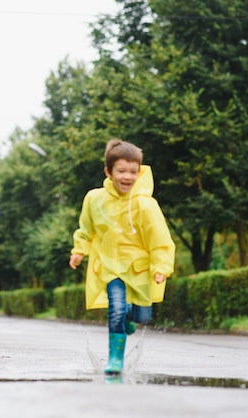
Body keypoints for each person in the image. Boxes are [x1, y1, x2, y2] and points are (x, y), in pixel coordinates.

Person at [69, 139, 175, 375]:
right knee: (116, 310)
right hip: (110, 267)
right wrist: (79, 251)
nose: (127, 177)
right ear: (108, 172)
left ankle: (131, 315)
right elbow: (86, 229)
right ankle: (115, 359)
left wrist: (162, 266)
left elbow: (160, 239)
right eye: (121, 171)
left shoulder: (145, 205)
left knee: (142, 316)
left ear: (140, 171)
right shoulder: (95, 199)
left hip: (139, 270)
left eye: (133, 172)